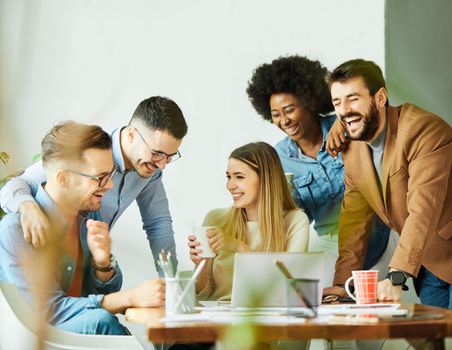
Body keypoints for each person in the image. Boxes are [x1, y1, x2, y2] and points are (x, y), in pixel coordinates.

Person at [0, 121, 165, 335]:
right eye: (100, 178)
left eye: (111, 174)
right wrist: (131, 297)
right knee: (102, 322)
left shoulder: (89, 219)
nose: (110, 185)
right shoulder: (16, 230)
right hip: (42, 339)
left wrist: (103, 264)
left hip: (80, 341)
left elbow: (98, 295)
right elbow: (50, 311)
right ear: (64, 178)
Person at [0, 96, 188, 275]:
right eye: (157, 153)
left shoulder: (150, 171)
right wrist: (27, 206)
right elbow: (16, 184)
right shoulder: (89, 149)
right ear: (131, 135)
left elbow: (158, 224)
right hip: (45, 264)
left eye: (170, 157)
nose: (162, 165)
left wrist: (171, 281)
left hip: (87, 272)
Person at [246, 55, 391, 280]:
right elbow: (295, 215)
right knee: (331, 302)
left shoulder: (346, 123)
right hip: (332, 245)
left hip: (380, 236)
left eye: (289, 110)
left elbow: (376, 119)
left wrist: (340, 123)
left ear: (309, 103)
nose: (284, 120)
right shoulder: (280, 158)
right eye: (276, 115)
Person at [323, 59, 452, 308]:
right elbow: (354, 222)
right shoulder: (352, 149)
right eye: (337, 102)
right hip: (428, 264)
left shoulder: (424, 131)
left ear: (380, 97)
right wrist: (341, 284)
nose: (343, 110)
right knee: (432, 343)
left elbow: (423, 209)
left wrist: (396, 275)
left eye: (353, 98)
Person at [173, 142, 309, 350]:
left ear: (265, 180)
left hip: (256, 332)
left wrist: (239, 247)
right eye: (229, 177)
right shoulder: (216, 218)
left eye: (239, 177)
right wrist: (199, 265)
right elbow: (203, 292)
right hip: (211, 327)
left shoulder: (294, 221)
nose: (230, 185)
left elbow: (291, 290)